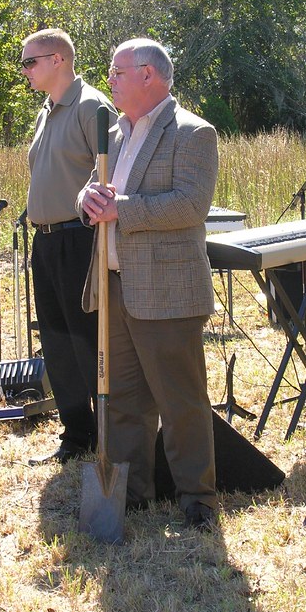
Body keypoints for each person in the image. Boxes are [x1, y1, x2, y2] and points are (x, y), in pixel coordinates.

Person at [77, 38, 219, 529]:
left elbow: (190, 205)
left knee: (181, 401)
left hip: (168, 288)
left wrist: (124, 209)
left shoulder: (193, 133)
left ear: (149, 76)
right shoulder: (115, 134)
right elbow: (97, 188)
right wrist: (89, 201)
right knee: (122, 400)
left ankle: (197, 497)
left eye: (117, 72)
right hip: (115, 283)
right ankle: (133, 492)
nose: (109, 80)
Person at [20, 29, 117, 465]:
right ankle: (77, 435)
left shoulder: (91, 106)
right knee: (57, 341)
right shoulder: (46, 110)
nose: (24, 70)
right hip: (45, 243)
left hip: (80, 239)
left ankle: (109, 434)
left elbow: (111, 172)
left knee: (86, 339)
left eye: (30, 62)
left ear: (58, 59)